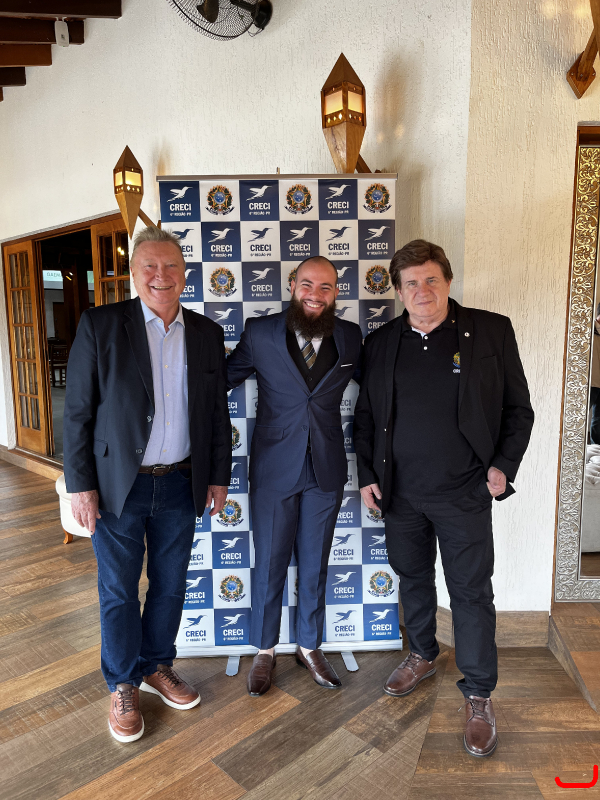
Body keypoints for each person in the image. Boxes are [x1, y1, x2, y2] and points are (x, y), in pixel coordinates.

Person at [353, 239, 534, 757]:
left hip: (464, 493)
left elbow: (519, 410)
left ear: (448, 282)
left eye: (431, 279)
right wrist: (366, 475)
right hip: (400, 495)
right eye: (411, 283)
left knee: (471, 592)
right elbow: (365, 417)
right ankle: (423, 654)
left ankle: (478, 694)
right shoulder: (380, 342)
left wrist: (503, 466)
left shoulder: (491, 331)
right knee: (412, 577)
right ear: (398, 291)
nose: (422, 290)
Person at [63, 227, 231, 743]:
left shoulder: (206, 333)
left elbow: (216, 415)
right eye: (149, 267)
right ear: (134, 274)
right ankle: (122, 683)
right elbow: (77, 414)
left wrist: (218, 476)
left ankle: (157, 665)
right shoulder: (100, 325)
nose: (161, 276)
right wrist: (81, 486)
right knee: (118, 590)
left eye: (171, 265)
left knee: (170, 584)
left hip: (181, 482)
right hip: (118, 487)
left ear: (185, 273)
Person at [227, 256, 362, 696]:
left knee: (315, 564)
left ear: (336, 292)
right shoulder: (260, 332)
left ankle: (309, 646)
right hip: (273, 469)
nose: (315, 295)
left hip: (326, 469)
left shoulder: (350, 336)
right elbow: (220, 380)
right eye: (307, 284)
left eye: (325, 287)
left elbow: (379, 389)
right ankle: (264, 650)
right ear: (292, 285)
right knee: (269, 563)